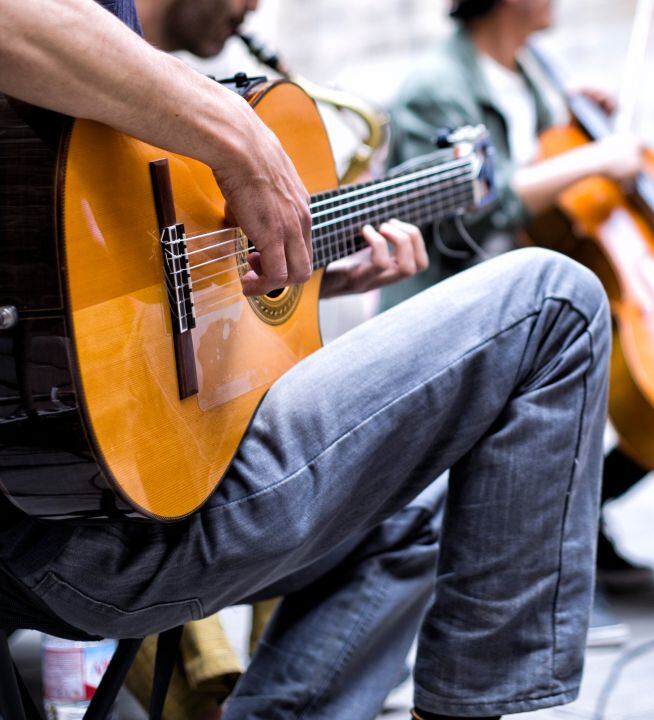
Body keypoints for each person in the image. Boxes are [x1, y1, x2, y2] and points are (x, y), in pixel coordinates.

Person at [0, 3, 612, 720]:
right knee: (555, 301)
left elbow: (132, 301)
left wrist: (310, 269)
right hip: (76, 522)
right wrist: (243, 141)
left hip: (69, 502)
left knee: (418, 498)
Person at [386, 0, 653, 643]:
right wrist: (592, 161)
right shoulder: (433, 89)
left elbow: (534, 151)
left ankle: (576, 549)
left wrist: (573, 116)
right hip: (452, 305)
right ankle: (541, 591)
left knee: (631, 389)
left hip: (521, 298)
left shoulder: (531, 76)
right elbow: (474, 207)